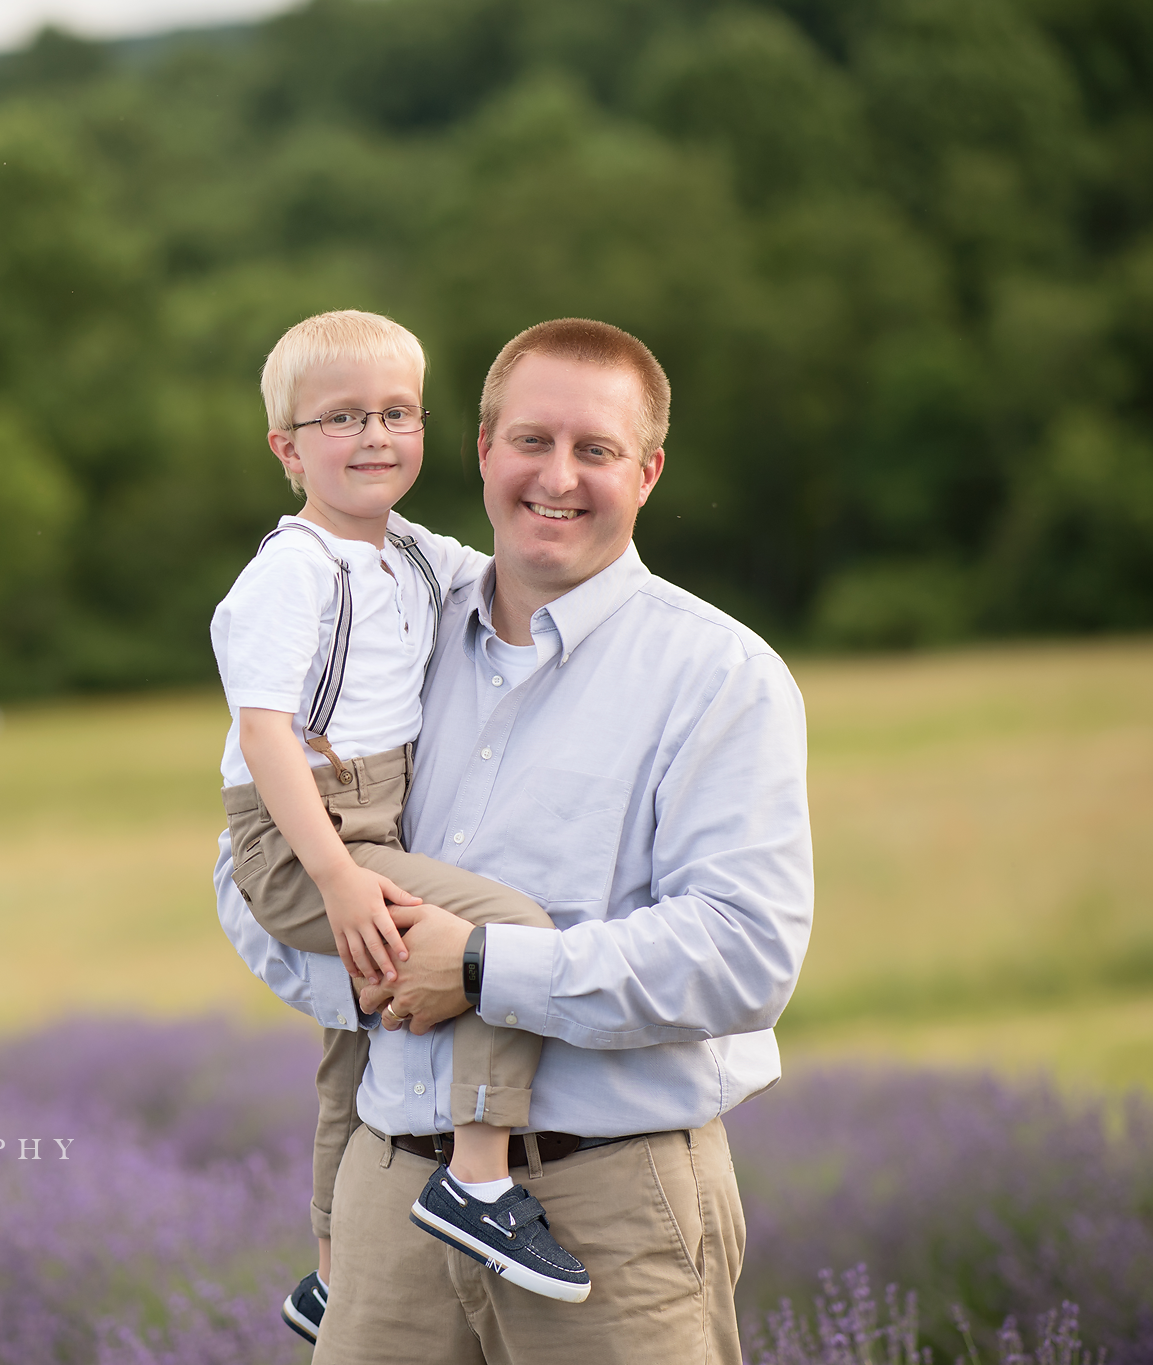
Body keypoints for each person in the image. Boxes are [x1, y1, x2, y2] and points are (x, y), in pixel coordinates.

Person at [215, 317, 815, 1364]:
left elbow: (744, 955)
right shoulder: (385, 614)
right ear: (481, 450)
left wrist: (486, 970)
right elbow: (245, 872)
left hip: (612, 1204)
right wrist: (386, 971)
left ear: (648, 471)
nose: (558, 477)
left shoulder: (718, 675)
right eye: (531, 441)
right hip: (386, 1193)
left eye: (595, 450)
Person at [210, 310, 592, 1344]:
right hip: (306, 834)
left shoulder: (407, 554)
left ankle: (329, 1270)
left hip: (363, 823)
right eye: (340, 419)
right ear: (286, 450)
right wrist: (334, 877)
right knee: (501, 935)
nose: (374, 436)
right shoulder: (292, 573)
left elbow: (504, 574)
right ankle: (475, 1181)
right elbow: (267, 736)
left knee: (361, 1035)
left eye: (395, 413)